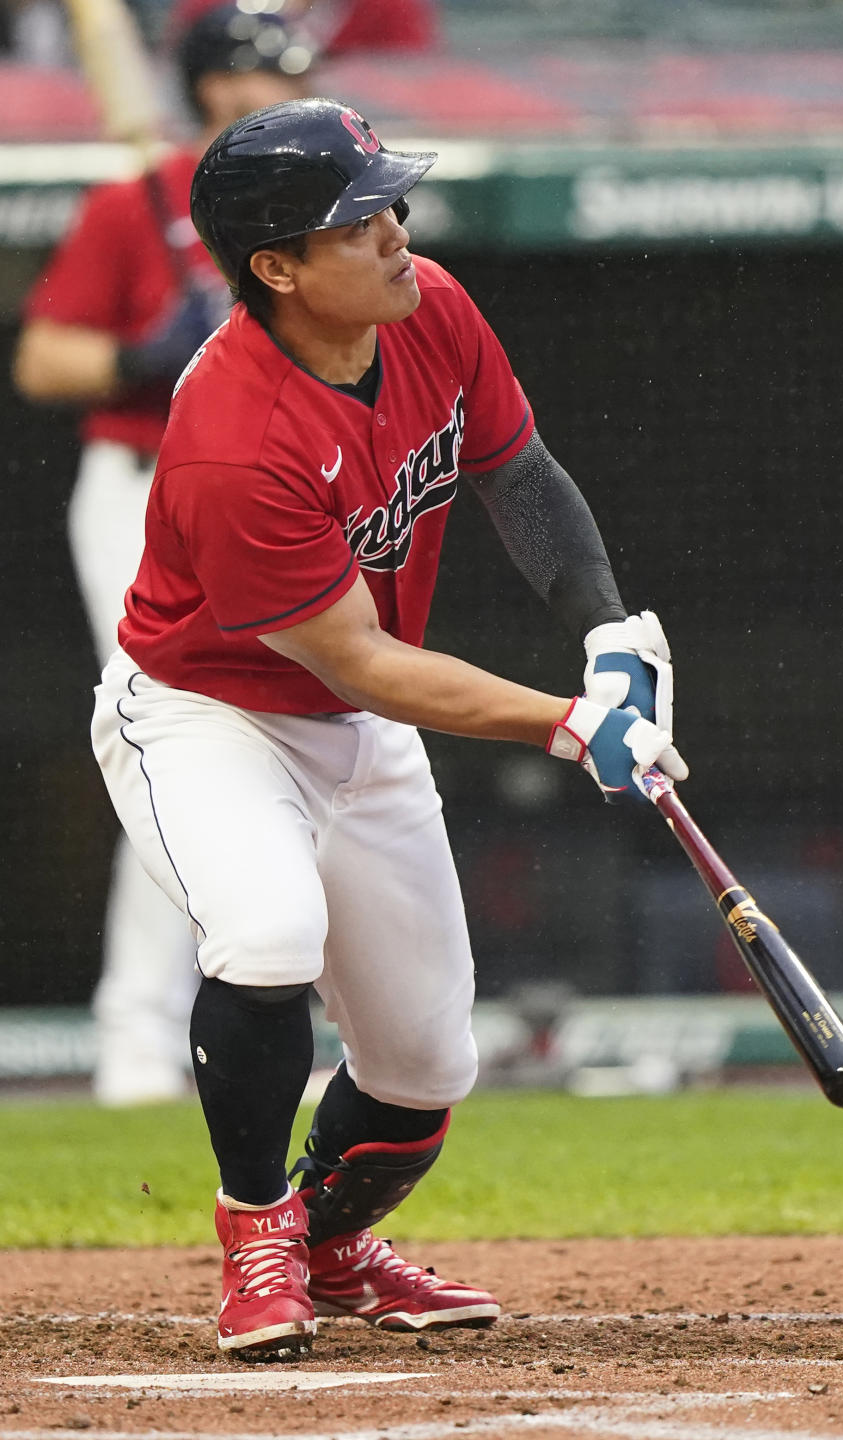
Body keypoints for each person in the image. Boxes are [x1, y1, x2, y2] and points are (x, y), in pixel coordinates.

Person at [90, 96, 689, 1358]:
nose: (398, 230)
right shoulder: (230, 441)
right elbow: (361, 660)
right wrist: (569, 727)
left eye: (392, 204)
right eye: (361, 218)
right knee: (266, 932)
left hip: (353, 730)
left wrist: (606, 634)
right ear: (280, 268)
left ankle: (331, 1244)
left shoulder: (430, 309)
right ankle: (257, 1233)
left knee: (424, 1068)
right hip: (211, 717)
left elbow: (519, 474)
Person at [12, 2, 317, 1105]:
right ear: (205, 91)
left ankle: (251, 1009)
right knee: (180, 753)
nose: (269, 93)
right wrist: (145, 351)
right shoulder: (131, 208)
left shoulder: (321, 213)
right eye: (248, 78)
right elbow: (44, 360)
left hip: (274, 502)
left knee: (290, 752)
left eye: (286, 75)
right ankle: (138, 1039)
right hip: (143, 495)